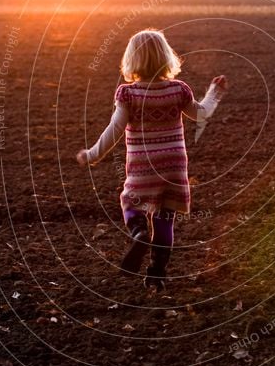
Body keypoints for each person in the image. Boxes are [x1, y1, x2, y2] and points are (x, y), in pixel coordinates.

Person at [77, 29, 227, 292]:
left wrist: (92, 155)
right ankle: (156, 275)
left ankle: (138, 232)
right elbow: (201, 114)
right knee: (165, 219)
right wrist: (214, 92)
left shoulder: (128, 95)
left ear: (132, 60)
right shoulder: (179, 90)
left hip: (142, 167)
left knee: (130, 200)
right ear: (166, 57)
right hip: (174, 166)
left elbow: (114, 130)